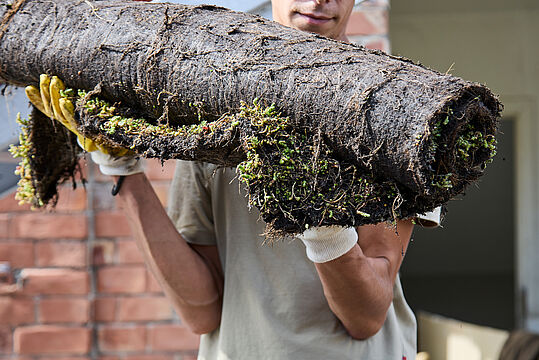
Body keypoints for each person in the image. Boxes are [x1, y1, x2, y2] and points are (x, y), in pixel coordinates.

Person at [27, 0, 440, 358]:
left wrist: (320, 217)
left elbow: (365, 317)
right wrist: (122, 170)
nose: (319, 1)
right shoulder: (215, 101)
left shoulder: (394, 114)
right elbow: (201, 311)